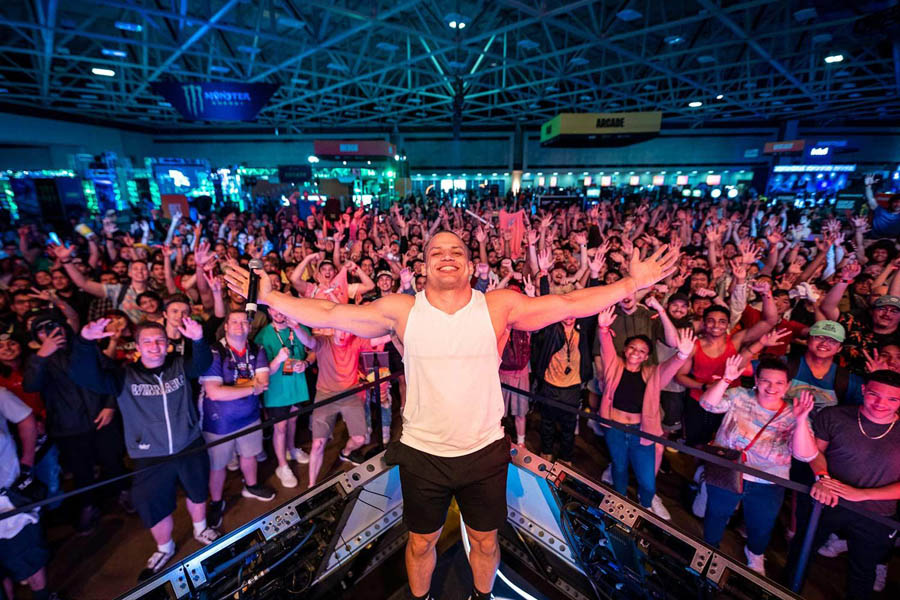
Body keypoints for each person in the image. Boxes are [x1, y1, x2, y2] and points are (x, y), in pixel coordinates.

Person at [224, 232, 680, 600]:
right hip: (423, 454)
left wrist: (628, 286)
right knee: (420, 542)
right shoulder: (402, 310)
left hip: (484, 451)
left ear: (468, 264)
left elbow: (566, 305)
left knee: (485, 540)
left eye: (456, 250)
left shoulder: (498, 305)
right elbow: (330, 312)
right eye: (436, 250)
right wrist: (271, 297)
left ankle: (481, 597)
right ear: (422, 266)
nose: (447, 256)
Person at [72, 318, 221, 581]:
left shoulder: (179, 365)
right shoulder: (123, 375)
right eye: (148, 342)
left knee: (198, 491)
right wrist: (84, 341)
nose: (155, 346)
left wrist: (198, 339)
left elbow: (202, 364)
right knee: (153, 504)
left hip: (189, 444)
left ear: (167, 343)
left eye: (160, 340)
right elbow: (84, 376)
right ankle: (165, 548)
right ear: (138, 346)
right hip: (149, 455)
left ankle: (200, 529)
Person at [698, 356, 818, 575]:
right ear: (756, 380)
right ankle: (708, 549)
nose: (771, 387)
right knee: (716, 514)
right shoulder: (739, 396)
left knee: (761, 525)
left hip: (768, 481)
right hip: (727, 471)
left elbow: (805, 455)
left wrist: (801, 421)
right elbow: (706, 404)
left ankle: (755, 553)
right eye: (765, 381)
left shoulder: (794, 412)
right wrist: (726, 379)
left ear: (788, 386)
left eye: (779, 383)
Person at [788, 369, 900, 600]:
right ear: (863, 390)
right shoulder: (834, 416)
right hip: (829, 499)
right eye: (874, 394)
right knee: (802, 550)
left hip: (877, 512)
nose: (881, 403)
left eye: (893, 399)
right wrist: (823, 477)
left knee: (864, 569)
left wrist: (862, 494)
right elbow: (816, 452)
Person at [596, 305, 695, 516]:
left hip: (641, 432)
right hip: (614, 427)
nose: (635, 353)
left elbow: (671, 366)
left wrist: (682, 355)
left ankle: (646, 503)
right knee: (619, 468)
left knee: (647, 479)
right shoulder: (615, 364)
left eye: (641, 351)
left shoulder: (653, 373)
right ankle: (619, 500)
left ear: (646, 356)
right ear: (625, 349)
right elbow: (605, 348)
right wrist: (603, 329)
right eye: (632, 348)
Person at [199, 310, 276, 528]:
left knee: (250, 455)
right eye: (234, 321)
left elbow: (263, 384)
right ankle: (216, 502)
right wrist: (252, 387)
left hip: (249, 416)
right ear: (225, 326)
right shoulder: (213, 352)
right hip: (218, 422)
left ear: (250, 327)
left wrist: (232, 388)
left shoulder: (256, 349)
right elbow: (214, 393)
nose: (240, 325)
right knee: (218, 466)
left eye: (244, 322)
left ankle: (251, 486)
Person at [0, 387, 57, 600]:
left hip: (9, 498)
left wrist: (27, 461)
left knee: (30, 557)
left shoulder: (0, 394)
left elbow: (26, 419)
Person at [254, 307, 315, 488]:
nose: (279, 314)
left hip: (296, 385)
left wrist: (305, 362)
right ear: (270, 312)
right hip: (276, 390)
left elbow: (314, 350)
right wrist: (278, 360)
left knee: (293, 421)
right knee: (280, 427)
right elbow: (262, 372)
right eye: (275, 310)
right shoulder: (263, 336)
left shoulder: (299, 327)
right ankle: (282, 466)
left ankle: (291, 450)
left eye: (282, 310)